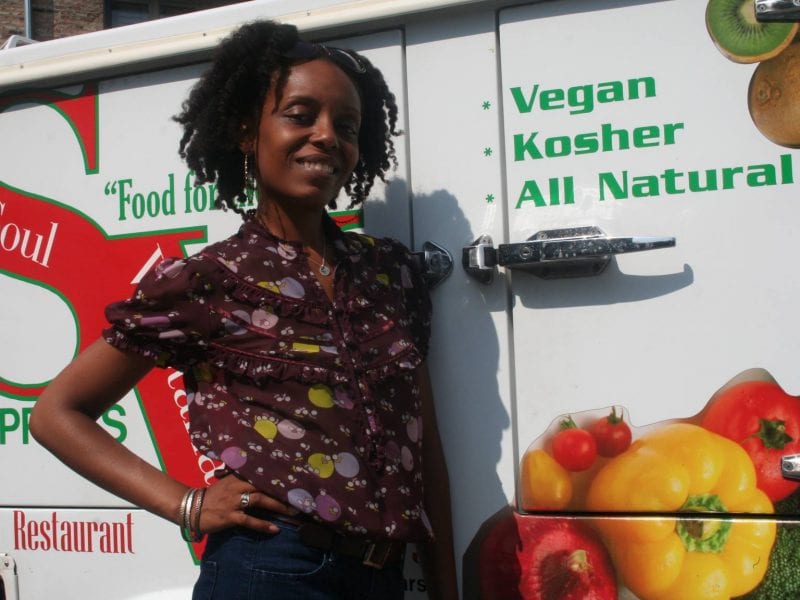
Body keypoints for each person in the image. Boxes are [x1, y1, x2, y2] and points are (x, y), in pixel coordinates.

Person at [30, 19, 458, 600]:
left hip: (381, 577)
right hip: (270, 569)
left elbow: (425, 447)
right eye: (300, 115)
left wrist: (446, 585)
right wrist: (187, 505)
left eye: (346, 126)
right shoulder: (210, 280)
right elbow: (57, 414)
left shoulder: (390, 275)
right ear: (245, 132)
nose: (326, 136)